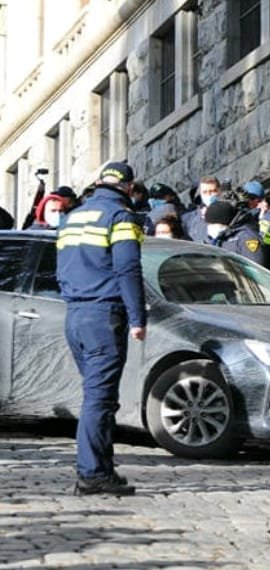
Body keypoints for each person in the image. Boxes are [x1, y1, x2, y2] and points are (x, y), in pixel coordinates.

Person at [56, 161, 146, 496]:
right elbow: (128, 269)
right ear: (127, 187)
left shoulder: (72, 217)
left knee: (100, 397)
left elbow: (63, 267)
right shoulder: (121, 217)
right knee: (98, 397)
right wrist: (138, 318)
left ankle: (102, 468)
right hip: (104, 315)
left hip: (75, 314)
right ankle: (92, 473)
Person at [181, 176, 222, 241]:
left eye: (212, 191)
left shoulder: (228, 212)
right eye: (205, 192)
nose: (209, 195)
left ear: (219, 191)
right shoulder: (190, 219)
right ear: (200, 194)